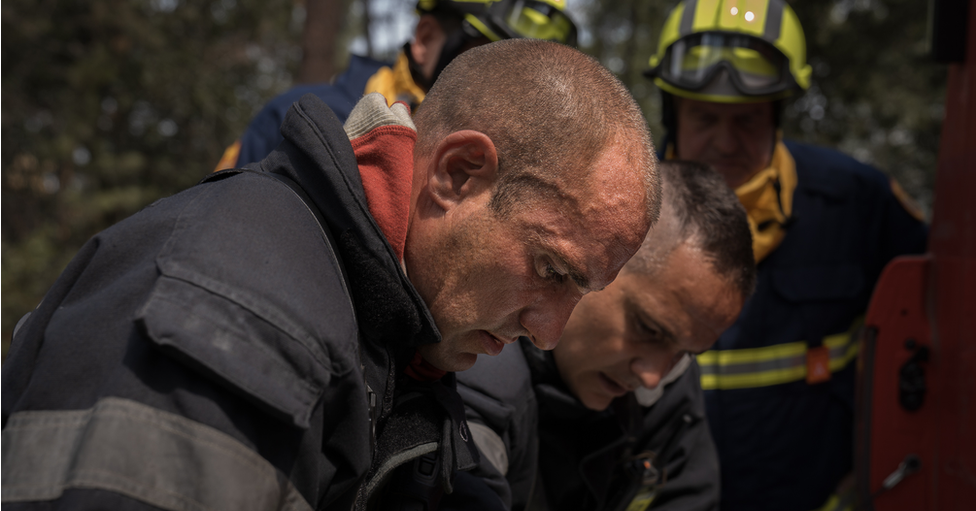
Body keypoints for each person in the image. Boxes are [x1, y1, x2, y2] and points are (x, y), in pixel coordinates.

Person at [0, 39, 659, 511]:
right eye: (550, 268)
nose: (549, 331)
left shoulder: (398, 332)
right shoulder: (232, 312)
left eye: (581, 292)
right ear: (456, 174)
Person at [642, 0, 929, 511]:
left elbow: (941, 310)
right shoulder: (623, 213)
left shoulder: (854, 202)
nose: (725, 141)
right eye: (705, 117)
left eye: (747, 120)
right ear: (670, 110)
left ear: (777, 115)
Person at [440, 161, 756, 511]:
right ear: (596, 261)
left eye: (685, 352)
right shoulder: (471, 371)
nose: (652, 376)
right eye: (648, 330)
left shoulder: (670, 389)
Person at [215, 0, 578, 170]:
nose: (506, 85)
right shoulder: (300, 123)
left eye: (522, 71)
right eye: (486, 57)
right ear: (424, 39)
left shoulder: (511, 167)